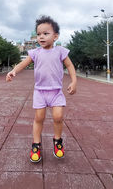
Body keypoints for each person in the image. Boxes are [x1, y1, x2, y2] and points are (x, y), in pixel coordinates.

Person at [6, 15, 77, 163]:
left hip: (56, 91)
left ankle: (57, 142)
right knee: (39, 118)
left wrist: (74, 81)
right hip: (40, 91)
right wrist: (13, 71)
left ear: (55, 36)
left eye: (46, 33)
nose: (41, 37)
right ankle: (36, 145)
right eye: (38, 34)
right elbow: (23, 64)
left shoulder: (61, 51)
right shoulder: (35, 53)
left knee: (58, 117)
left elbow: (69, 66)